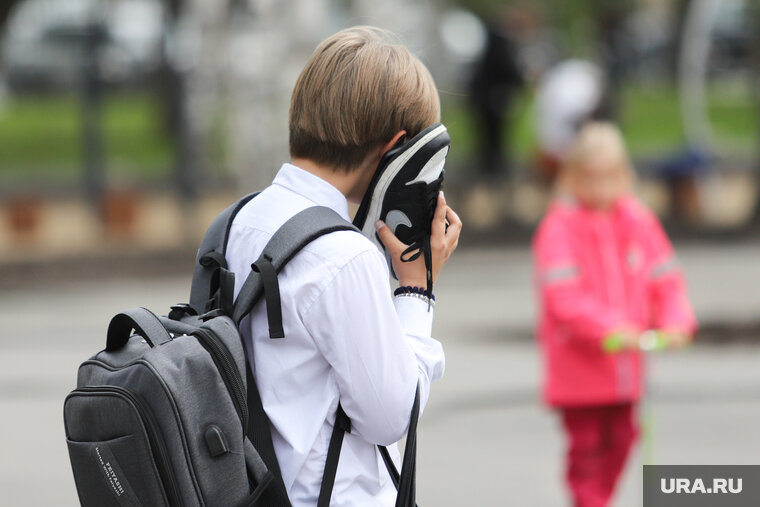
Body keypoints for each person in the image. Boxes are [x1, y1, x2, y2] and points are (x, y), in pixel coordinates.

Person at [224, 27, 462, 505]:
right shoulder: (342, 256)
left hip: (256, 488)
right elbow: (390, 416)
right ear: (399, 149)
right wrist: (417, 288)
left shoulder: (241, 219)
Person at [532, 122, 696, 507]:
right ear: (573, 177)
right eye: (591, 178)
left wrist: (676, 321)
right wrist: (609, 328)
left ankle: (597, 499)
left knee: (624, 439)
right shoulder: (560, 227)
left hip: (627, 372)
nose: (602, 188)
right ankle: (590, 501)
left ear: (625, 176)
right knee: (587, 450)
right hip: (581, 374)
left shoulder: (637, 220)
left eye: (612, 177)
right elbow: (563, 297)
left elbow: (666, 278)